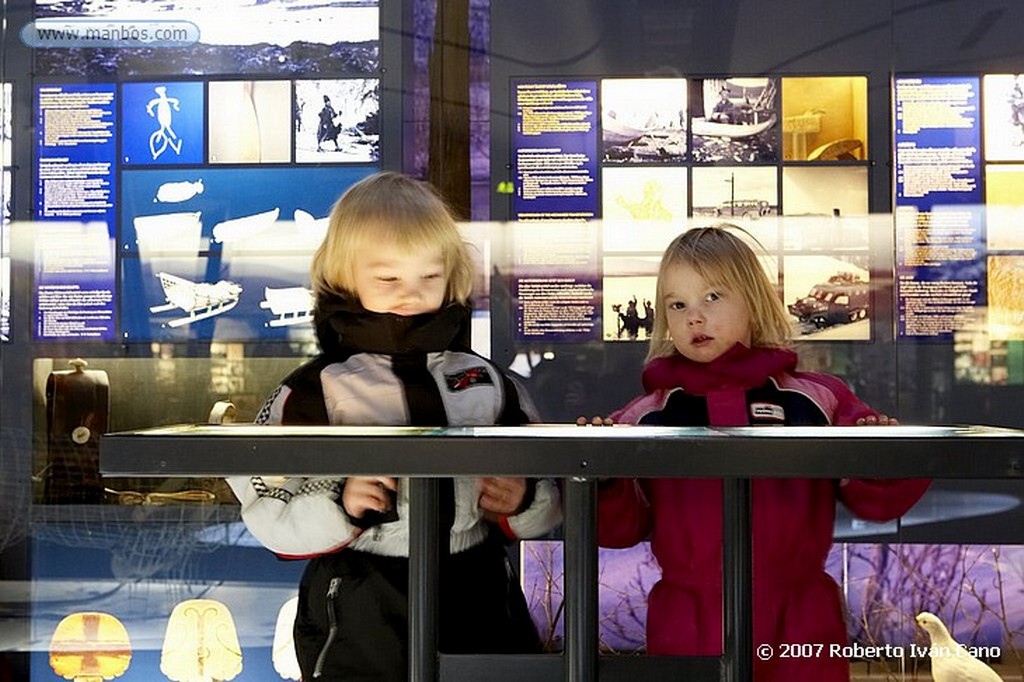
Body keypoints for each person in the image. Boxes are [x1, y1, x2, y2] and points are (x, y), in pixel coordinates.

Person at [228, 172, 561, 681]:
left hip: (478, 588)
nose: (411, 294)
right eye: (388, 279)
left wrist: (524, 499)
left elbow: (547, 489)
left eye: (429, 278)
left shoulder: (488, 383)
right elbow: (269, 510)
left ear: (451, 278)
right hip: (362, 594)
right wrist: (338, 501)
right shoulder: (314, 392)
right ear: (344, 277)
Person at [595, 225, 930, 681]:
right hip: (689, 620)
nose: (695, 317)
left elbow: (877, 500)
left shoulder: (816, 399)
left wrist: (882, 452)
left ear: (753, 300)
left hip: (801, 615)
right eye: (678, 304)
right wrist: (602, 474)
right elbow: (619, 525)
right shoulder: (648, 415)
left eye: (713, 297)